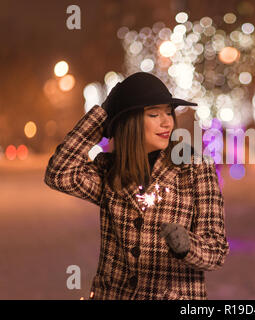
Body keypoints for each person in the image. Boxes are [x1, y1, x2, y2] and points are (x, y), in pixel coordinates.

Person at [44, 72, 230, 300]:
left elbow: (216, 251)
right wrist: (103, 115)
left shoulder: (195, 169)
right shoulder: (110, 171)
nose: (167, 122)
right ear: (129, 122)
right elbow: (59, 173)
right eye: (154, 114)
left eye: (169, 112)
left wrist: (187, 245)